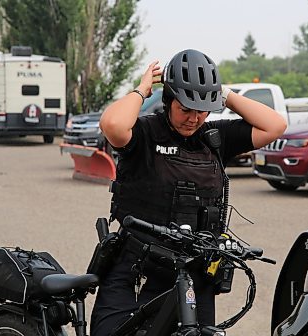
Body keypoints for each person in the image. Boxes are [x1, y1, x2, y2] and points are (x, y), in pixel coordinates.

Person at [90, 49, 287, 335]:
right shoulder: (144, 133)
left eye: (201, 110)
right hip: (138, 265)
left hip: (194, 271)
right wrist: (141, 90)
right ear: (168, 101)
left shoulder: (214, 139)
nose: (194, 119)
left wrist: (224, 94)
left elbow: (275, 125)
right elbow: (113, 125)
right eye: (185, 109)